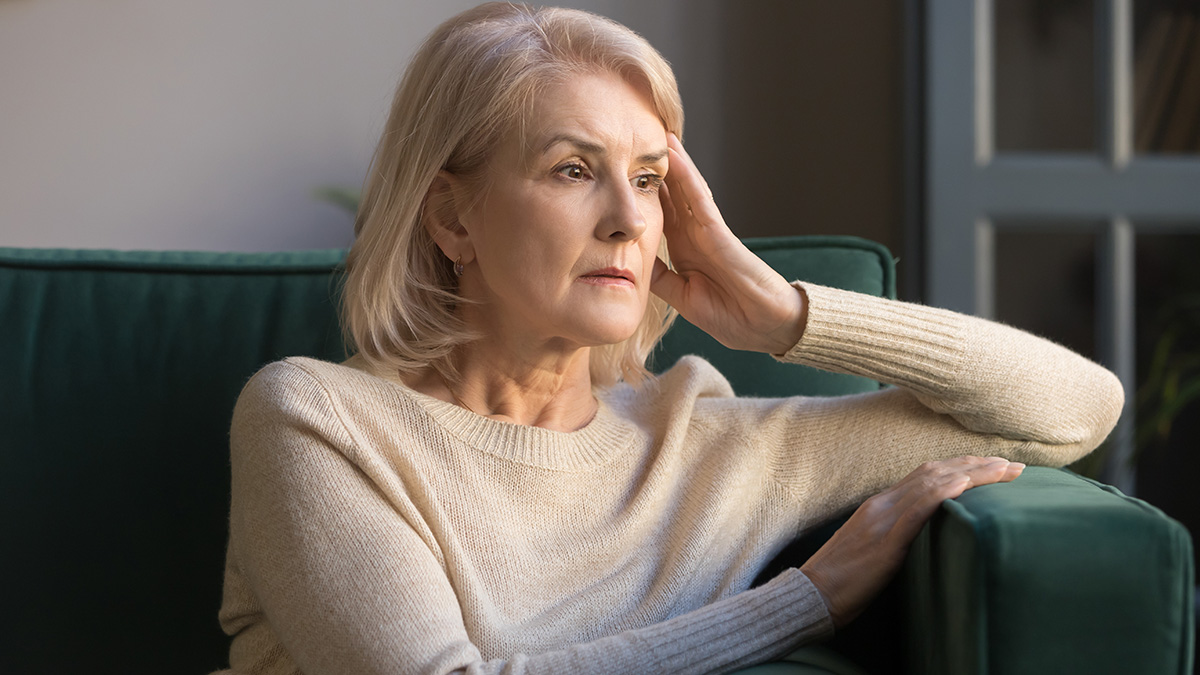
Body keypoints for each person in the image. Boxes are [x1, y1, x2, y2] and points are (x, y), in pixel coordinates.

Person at [213, 4, 1124, 674]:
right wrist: (807, 599)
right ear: (451, 217)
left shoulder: (702, 442)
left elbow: (1077, 408)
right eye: (573, 169)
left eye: (648, 179)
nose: (625, 220)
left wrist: (787, 316)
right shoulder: (317, 420)